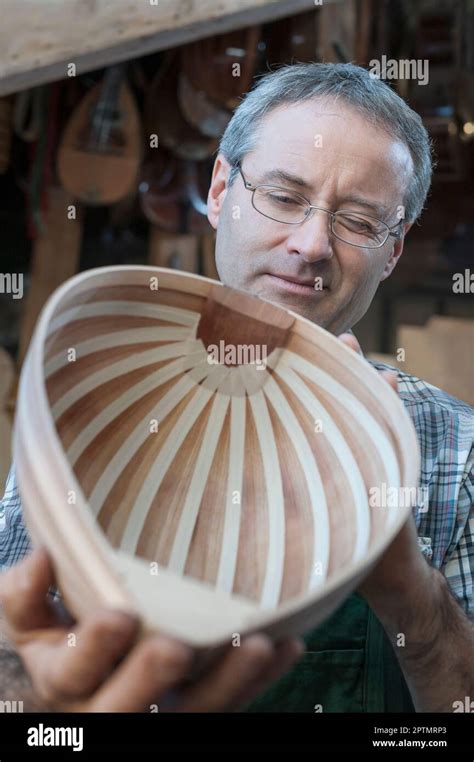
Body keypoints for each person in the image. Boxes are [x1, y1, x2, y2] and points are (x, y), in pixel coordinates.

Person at [1, 62, 472, 713]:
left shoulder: (454, 449)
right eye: (282, 196)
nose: (311, 245)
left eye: (360, 223)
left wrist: (408, 590)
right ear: (221, 189)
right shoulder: (82, 402)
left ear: (392, 252)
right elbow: (12, 662)